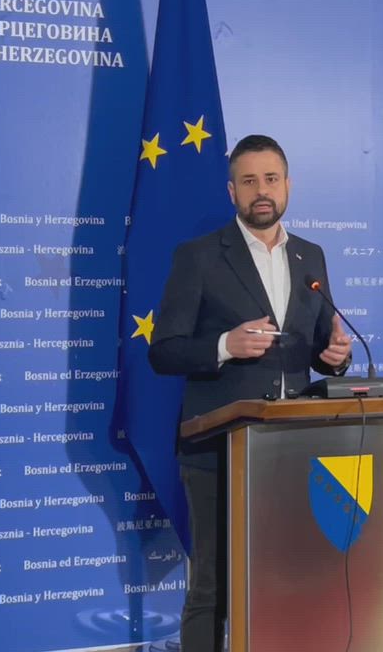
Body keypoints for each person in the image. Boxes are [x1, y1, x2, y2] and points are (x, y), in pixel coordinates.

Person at [148, 134, 353, 652]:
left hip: (292, 451)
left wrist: (335, 357)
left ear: (287, 185)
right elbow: (163, 351)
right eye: (249, 181)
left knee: (288, 577)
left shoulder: (311, 256)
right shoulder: (199, 256)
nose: (261, 190)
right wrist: (224, 345)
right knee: (212, 585)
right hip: (217, 450)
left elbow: (318, 345)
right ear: (232, 191)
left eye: (271, 179)